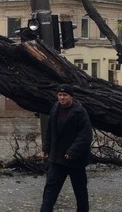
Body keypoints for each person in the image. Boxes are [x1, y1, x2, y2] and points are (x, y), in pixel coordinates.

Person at [41, 84, 93, 212]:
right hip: (57, 158)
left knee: (80, 191)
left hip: (76, 160)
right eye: (60, 95)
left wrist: (73, 151)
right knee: (50, 190)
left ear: (71, 97)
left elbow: (86, 135)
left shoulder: (80, 112)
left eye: (65, 95)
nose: (62, 98)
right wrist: (46, 147)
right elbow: (50, 130)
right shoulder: (55, 108)